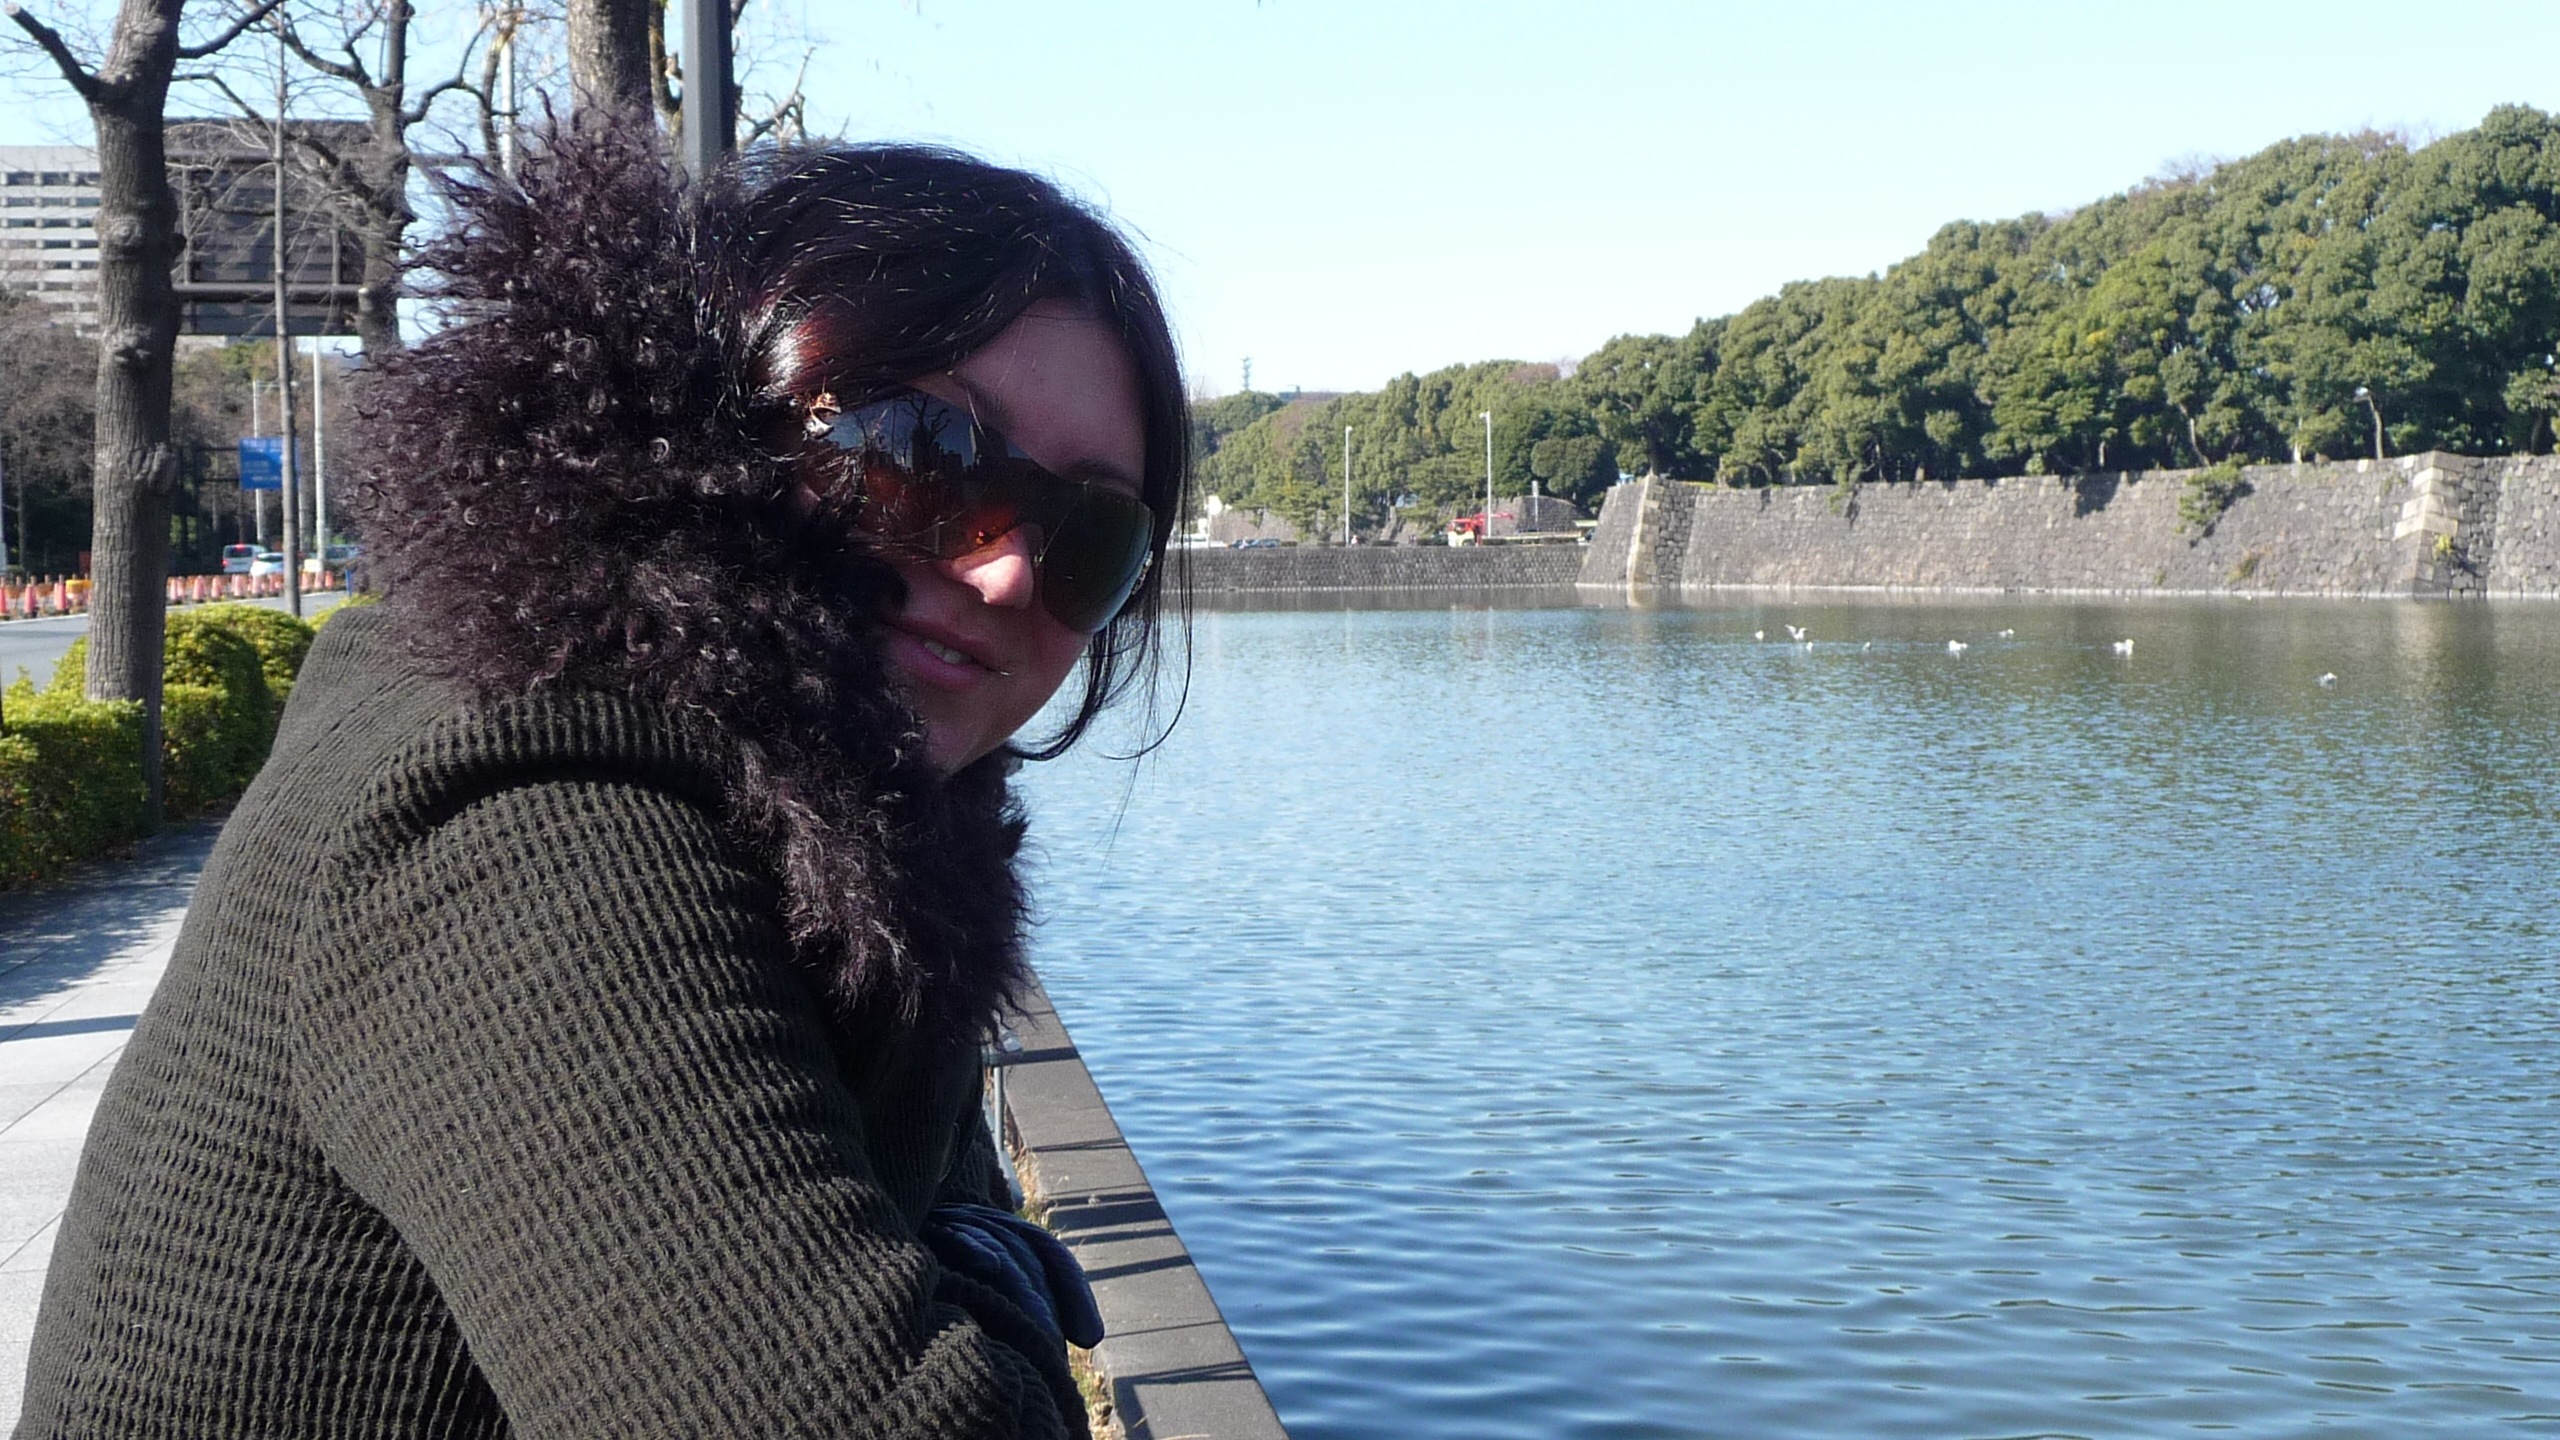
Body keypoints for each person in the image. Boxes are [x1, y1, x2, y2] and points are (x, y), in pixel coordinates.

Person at [12, 119, 1186, 1440]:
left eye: (1090, 532)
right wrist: (997, 1285)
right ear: (700, 411)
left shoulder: (838, 816)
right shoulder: (519, 807)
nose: (1008, 570)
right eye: (919, 452)